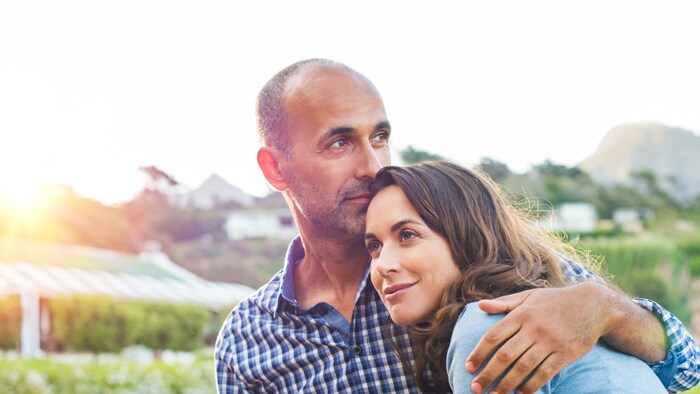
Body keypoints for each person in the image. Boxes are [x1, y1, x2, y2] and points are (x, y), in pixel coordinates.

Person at [215, 58, 699, 393]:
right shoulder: (246, 338)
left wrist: (606, 309)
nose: (371, 164)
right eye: (340, 143)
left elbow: (687, 367)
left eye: (380, 137)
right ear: (275, 169)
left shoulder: (462, 269)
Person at [365, 161, 668, 393]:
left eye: (407, 235)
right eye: (374, 246)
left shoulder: (489, 326)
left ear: (466, 237)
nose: (381, 266)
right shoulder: (540, 306)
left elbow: (689, 365)